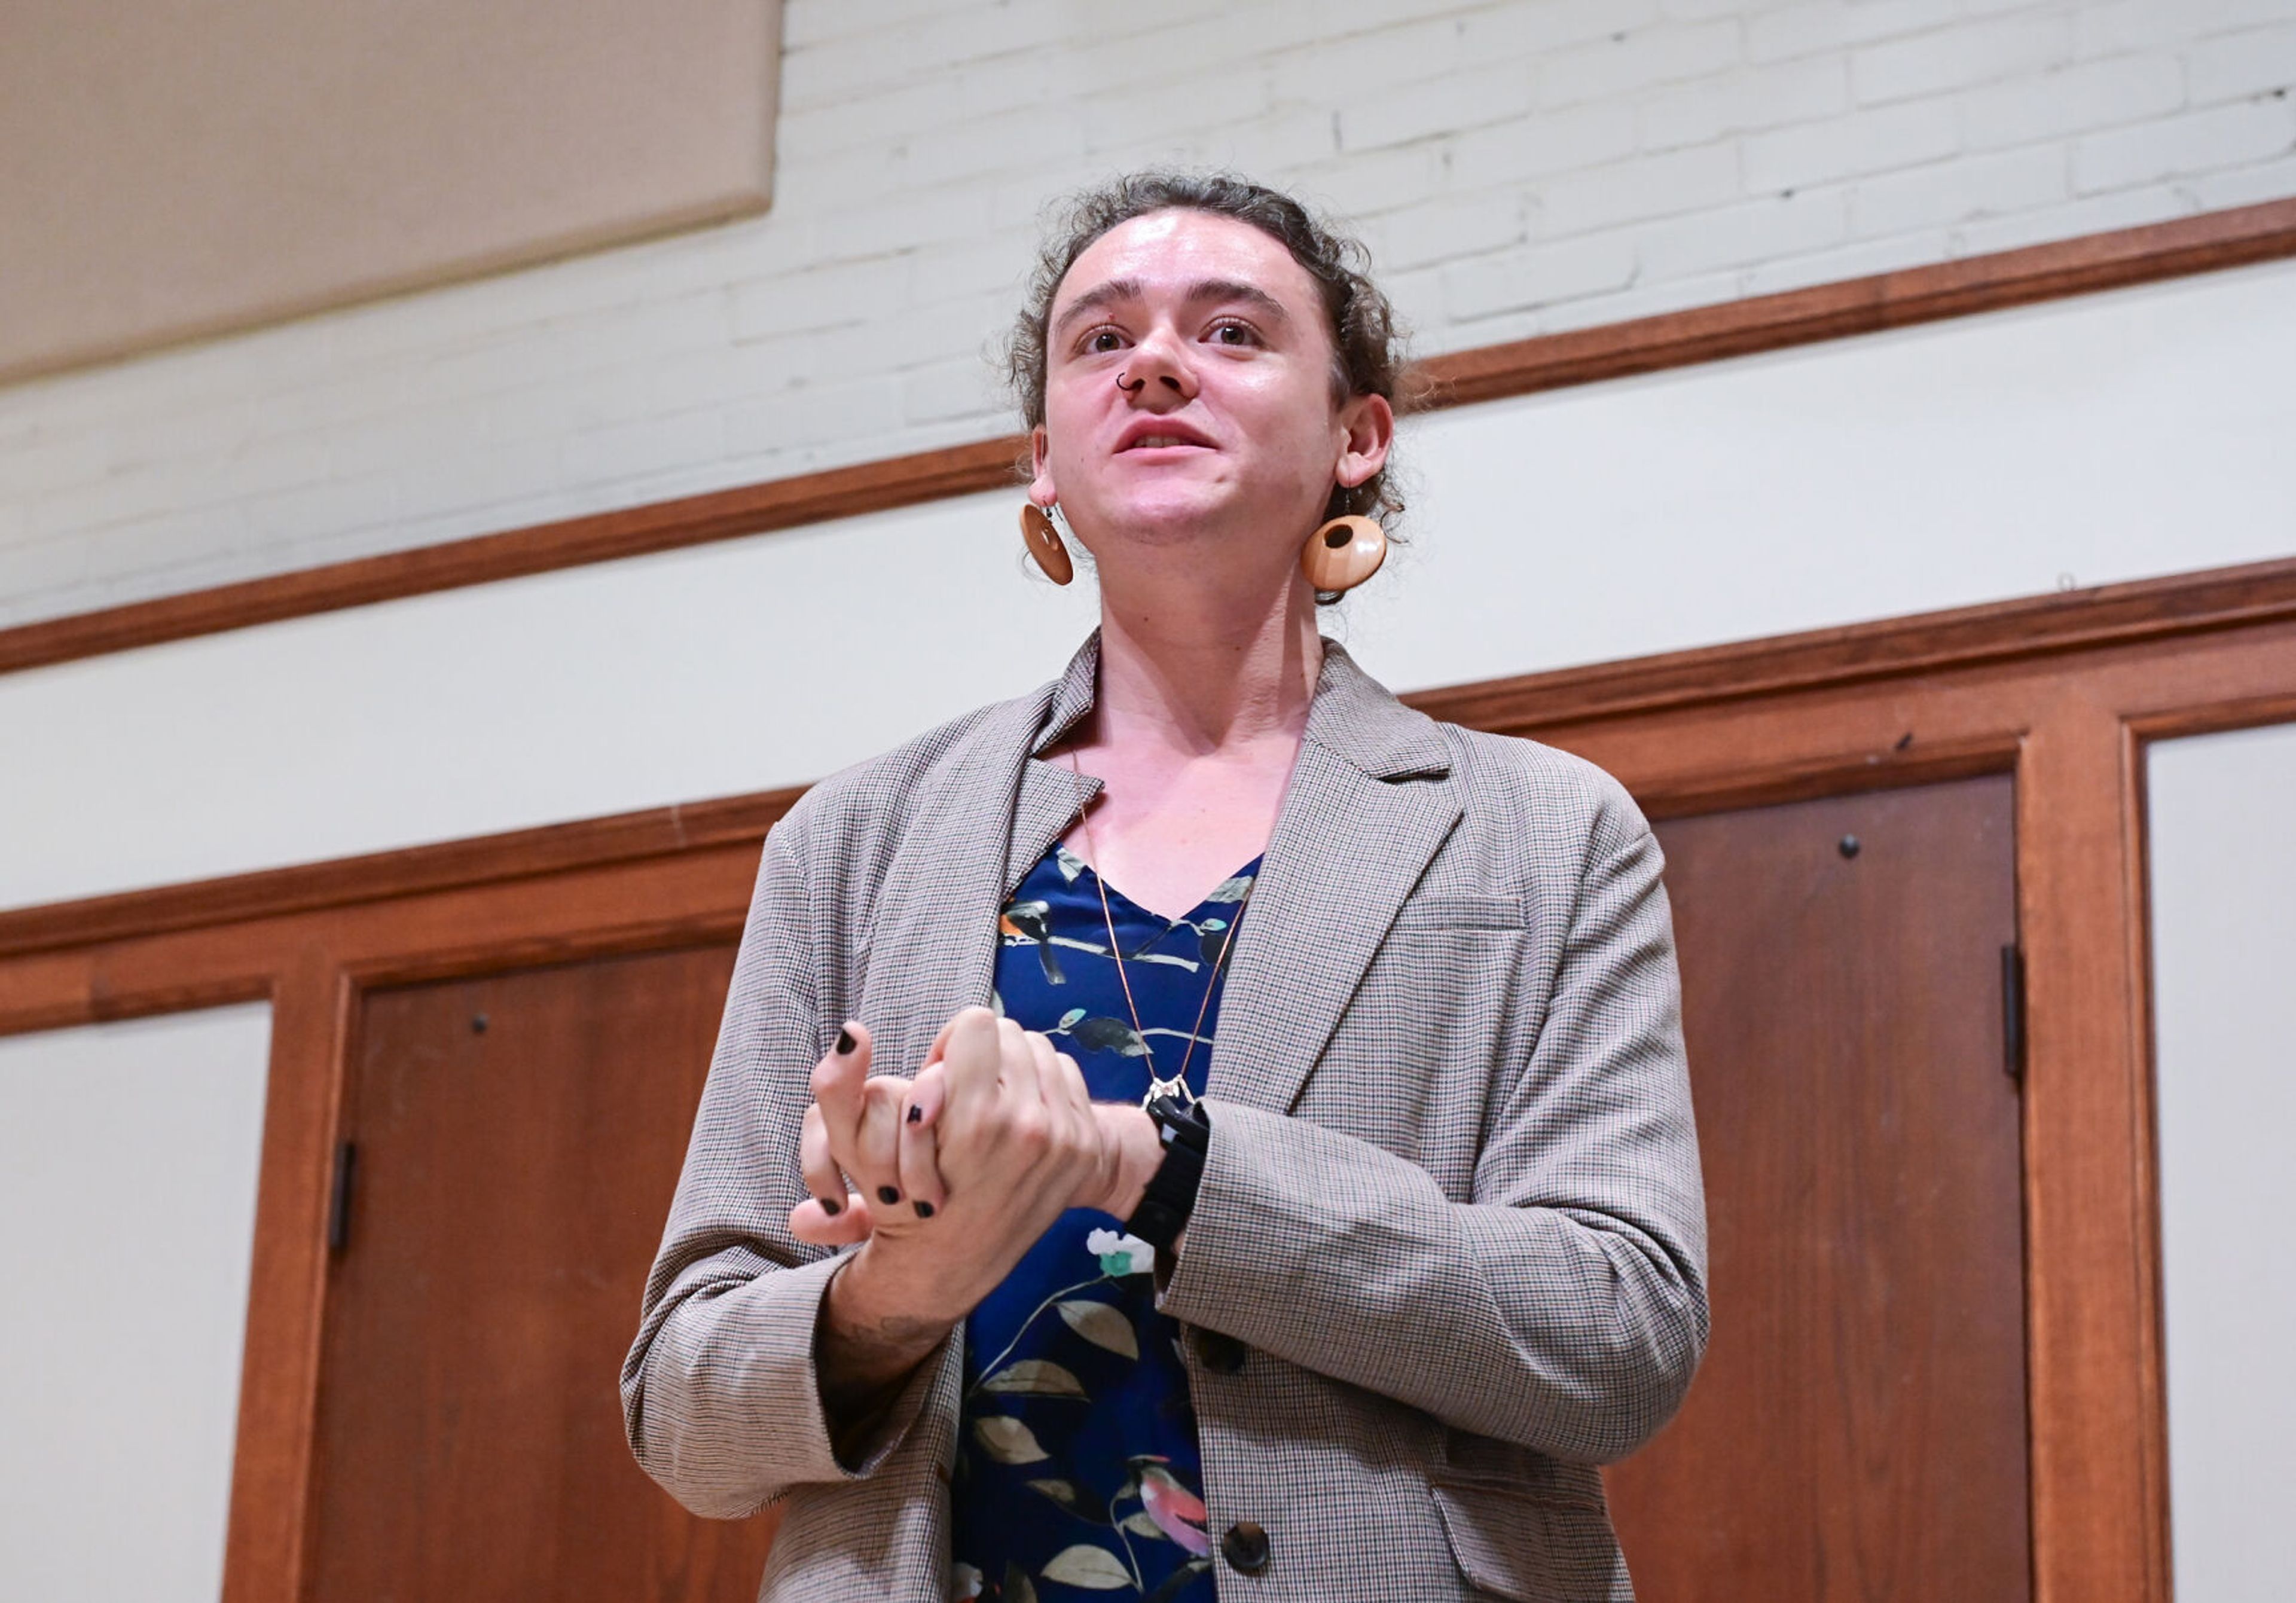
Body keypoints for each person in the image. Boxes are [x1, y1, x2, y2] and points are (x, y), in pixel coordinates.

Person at [622, 172, 1708, 1603]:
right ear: (1043, 461)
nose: (1154, 362)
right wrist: (901, 1293)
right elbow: (684, 1419)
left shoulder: (1546, 834)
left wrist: (1150, 1165)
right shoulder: (853, 841)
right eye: (1100, 339)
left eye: (1234, 332)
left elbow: (1615, 1339)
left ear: (1356, 437)